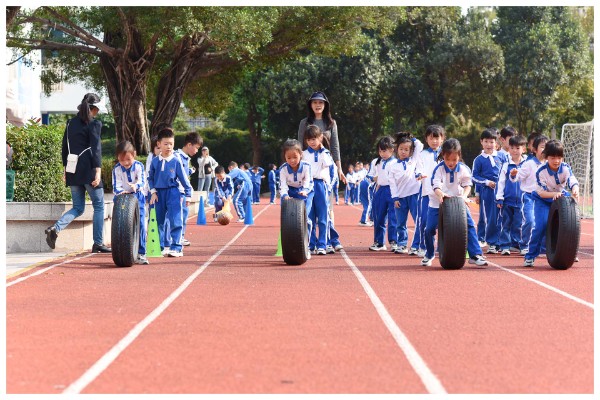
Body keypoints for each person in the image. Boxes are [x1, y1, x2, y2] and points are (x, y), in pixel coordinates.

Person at [45, 93, 111, 253]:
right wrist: (98, 172)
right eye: (97, 109)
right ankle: (98, 243)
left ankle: (55, 228)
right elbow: (96, 149)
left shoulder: (70, 123)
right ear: (93, 108)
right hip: (89, 170)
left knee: (78, 207)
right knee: (99, 206)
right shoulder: (94, 124)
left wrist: (65, 170)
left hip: (73, 170)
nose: (97, 113)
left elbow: (64, 148)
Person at [422, 138, 487, 267]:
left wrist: (463, 197)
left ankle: (475, 255)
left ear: (459, 156)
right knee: (429, 229)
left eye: (454, 159)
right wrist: (441, 194)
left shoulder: (463, 169)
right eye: (447, 159)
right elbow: (436, 186)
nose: (451, 163)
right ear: (443, 156)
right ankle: (429, 254)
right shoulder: (439, 169)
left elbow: (468, 185)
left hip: (458, 203)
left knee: (469, 225)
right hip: (438, 202)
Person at [523, 139, 579, 267]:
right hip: (543, 200)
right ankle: (530, 255)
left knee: (568, 225)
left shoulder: (565, 168)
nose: (556, 161)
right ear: (546, 157)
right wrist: (554, 194)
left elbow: (571, 179)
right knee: (541, 226)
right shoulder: (541, 171)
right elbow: (541, 193)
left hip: (560, 198)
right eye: (553, 157)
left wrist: (575, 189)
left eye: (559, 157)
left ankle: (569, 253)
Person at [148, 127, 193, 258]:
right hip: (158, 195)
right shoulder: (155, 161)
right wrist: (153, 191)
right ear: (159, 144)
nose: (169, 147)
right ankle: (161, 247)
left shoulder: (176, 161)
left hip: (173, 193)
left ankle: (177, 248)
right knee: (159, 221)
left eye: (171, 144)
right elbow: (150, 178)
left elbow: (184, 179)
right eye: (166, 144)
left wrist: (188, 195)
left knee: (175, 220)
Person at [509, 134, 548, 256]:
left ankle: (543, 247)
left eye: (547, 147)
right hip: (529, 197)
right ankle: (525, 244)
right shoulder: (529, 164)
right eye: (542, 147)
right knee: (530, 221)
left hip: (544, 198)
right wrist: (514, 174)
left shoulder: (549, 164)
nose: (545, 149)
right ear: (534, 149)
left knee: (545, 222)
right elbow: (517, 177)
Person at [112, 141, 149, 264]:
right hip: (122, 197)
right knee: (121, 225)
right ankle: (123, 251)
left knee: (141, 224)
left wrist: (135, 186)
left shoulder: (139, 166)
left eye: (128, 159)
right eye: (122, 160)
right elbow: (116, 186)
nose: (126, 163)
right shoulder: (117, 169)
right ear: (118, 158)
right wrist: (122, 192)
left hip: (137, 196)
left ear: (134, 154)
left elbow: (142, 181)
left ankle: (141, 253)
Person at [388, 132, 424, 254]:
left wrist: (411, 137)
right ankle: (402, 244)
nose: (403, 152)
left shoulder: (413, 160)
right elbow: (392, 184)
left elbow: (420, 145)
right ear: (397, 149)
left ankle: (417, 245)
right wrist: (395, 198)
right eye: (401, 149)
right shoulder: (393, 166)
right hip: (400, 198)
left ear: (411, 151)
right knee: (400, 223)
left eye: (406, 149)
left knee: (417, 220)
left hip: (414, 195)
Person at [302, 125, 335, 255]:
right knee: (309, 216)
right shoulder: (304, 154)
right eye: (309, 139)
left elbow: (329, 166)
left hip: (321, 185)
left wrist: (322, 150)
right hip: (308, 186)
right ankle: (311, 244)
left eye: (314, 139)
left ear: (320, 138)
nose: (312, 142)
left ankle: (322, 244)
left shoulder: (325, 153)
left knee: (322, 216)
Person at [414, 125, 445, 257]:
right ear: (426, 139)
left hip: (444, 193)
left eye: (437, 138)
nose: (434, 141)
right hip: (427, 192)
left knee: (446, 221)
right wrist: (419, 175)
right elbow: (418, 168)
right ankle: (425, 246)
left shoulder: (446, 153)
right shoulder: (422, 154)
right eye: (431, 138)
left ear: (442, 139)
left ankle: (443, 247)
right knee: (425, 221)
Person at [472, 128, 503, 254]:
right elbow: (474, 177)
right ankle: (491, 242)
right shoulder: (479, 159)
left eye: (491, 142)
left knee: (503, 216)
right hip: (488, 192)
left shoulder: (502, 156)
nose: (489, 145)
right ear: (481, 142)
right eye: (486, 141)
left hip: (502, 191)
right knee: (490, 217)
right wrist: (486, 182)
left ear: (496, 143)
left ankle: (503, 242)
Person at [496, 135, 527, 255]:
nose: (515, 151)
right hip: (507, 200)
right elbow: (501, 182)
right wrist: (499, 198)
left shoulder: (526, 164)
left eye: (518, 148)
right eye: (512, 148)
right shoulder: (506, 165)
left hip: (522, 201)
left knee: (519, 224)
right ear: (509, 149)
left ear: (523, 149)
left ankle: (519, 244)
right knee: (506, 223)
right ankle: (504, 246)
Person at [279, 139, 314, 245]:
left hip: (305, 191)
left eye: (295, 157)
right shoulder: (283, 169)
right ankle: (290, 242)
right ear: (284, 157)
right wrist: (285, 195)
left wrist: (305, 190)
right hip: (290, 191)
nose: (292, 160)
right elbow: (282, 185)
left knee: (305, 218)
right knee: (288, 219)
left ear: (301, 155)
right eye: (288, 158)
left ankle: (307, 243)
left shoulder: (306, 166)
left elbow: (308, 181)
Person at [369, 136, 398, 251]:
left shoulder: (396, 162)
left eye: (384, 151)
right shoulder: (376, 162)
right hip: (380, 190)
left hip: (393, 191)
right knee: (379, 216)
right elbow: (370, 176)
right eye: (380, 151)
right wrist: (376, 178)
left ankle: (394, 241)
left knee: (393, 217)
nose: (382, 154)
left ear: (392, 149)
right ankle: (379, 242)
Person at [175, 132, 202, 246]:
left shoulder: (186, 158)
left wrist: (190, 171)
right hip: (177, 191)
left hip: (183, 191)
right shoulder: (177, 156)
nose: (196, 151)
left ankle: (180, 237)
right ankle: (174, 239)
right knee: (177, 216)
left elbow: (184, 174)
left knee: (184, 214)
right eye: (196, 148)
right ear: (189, 144)